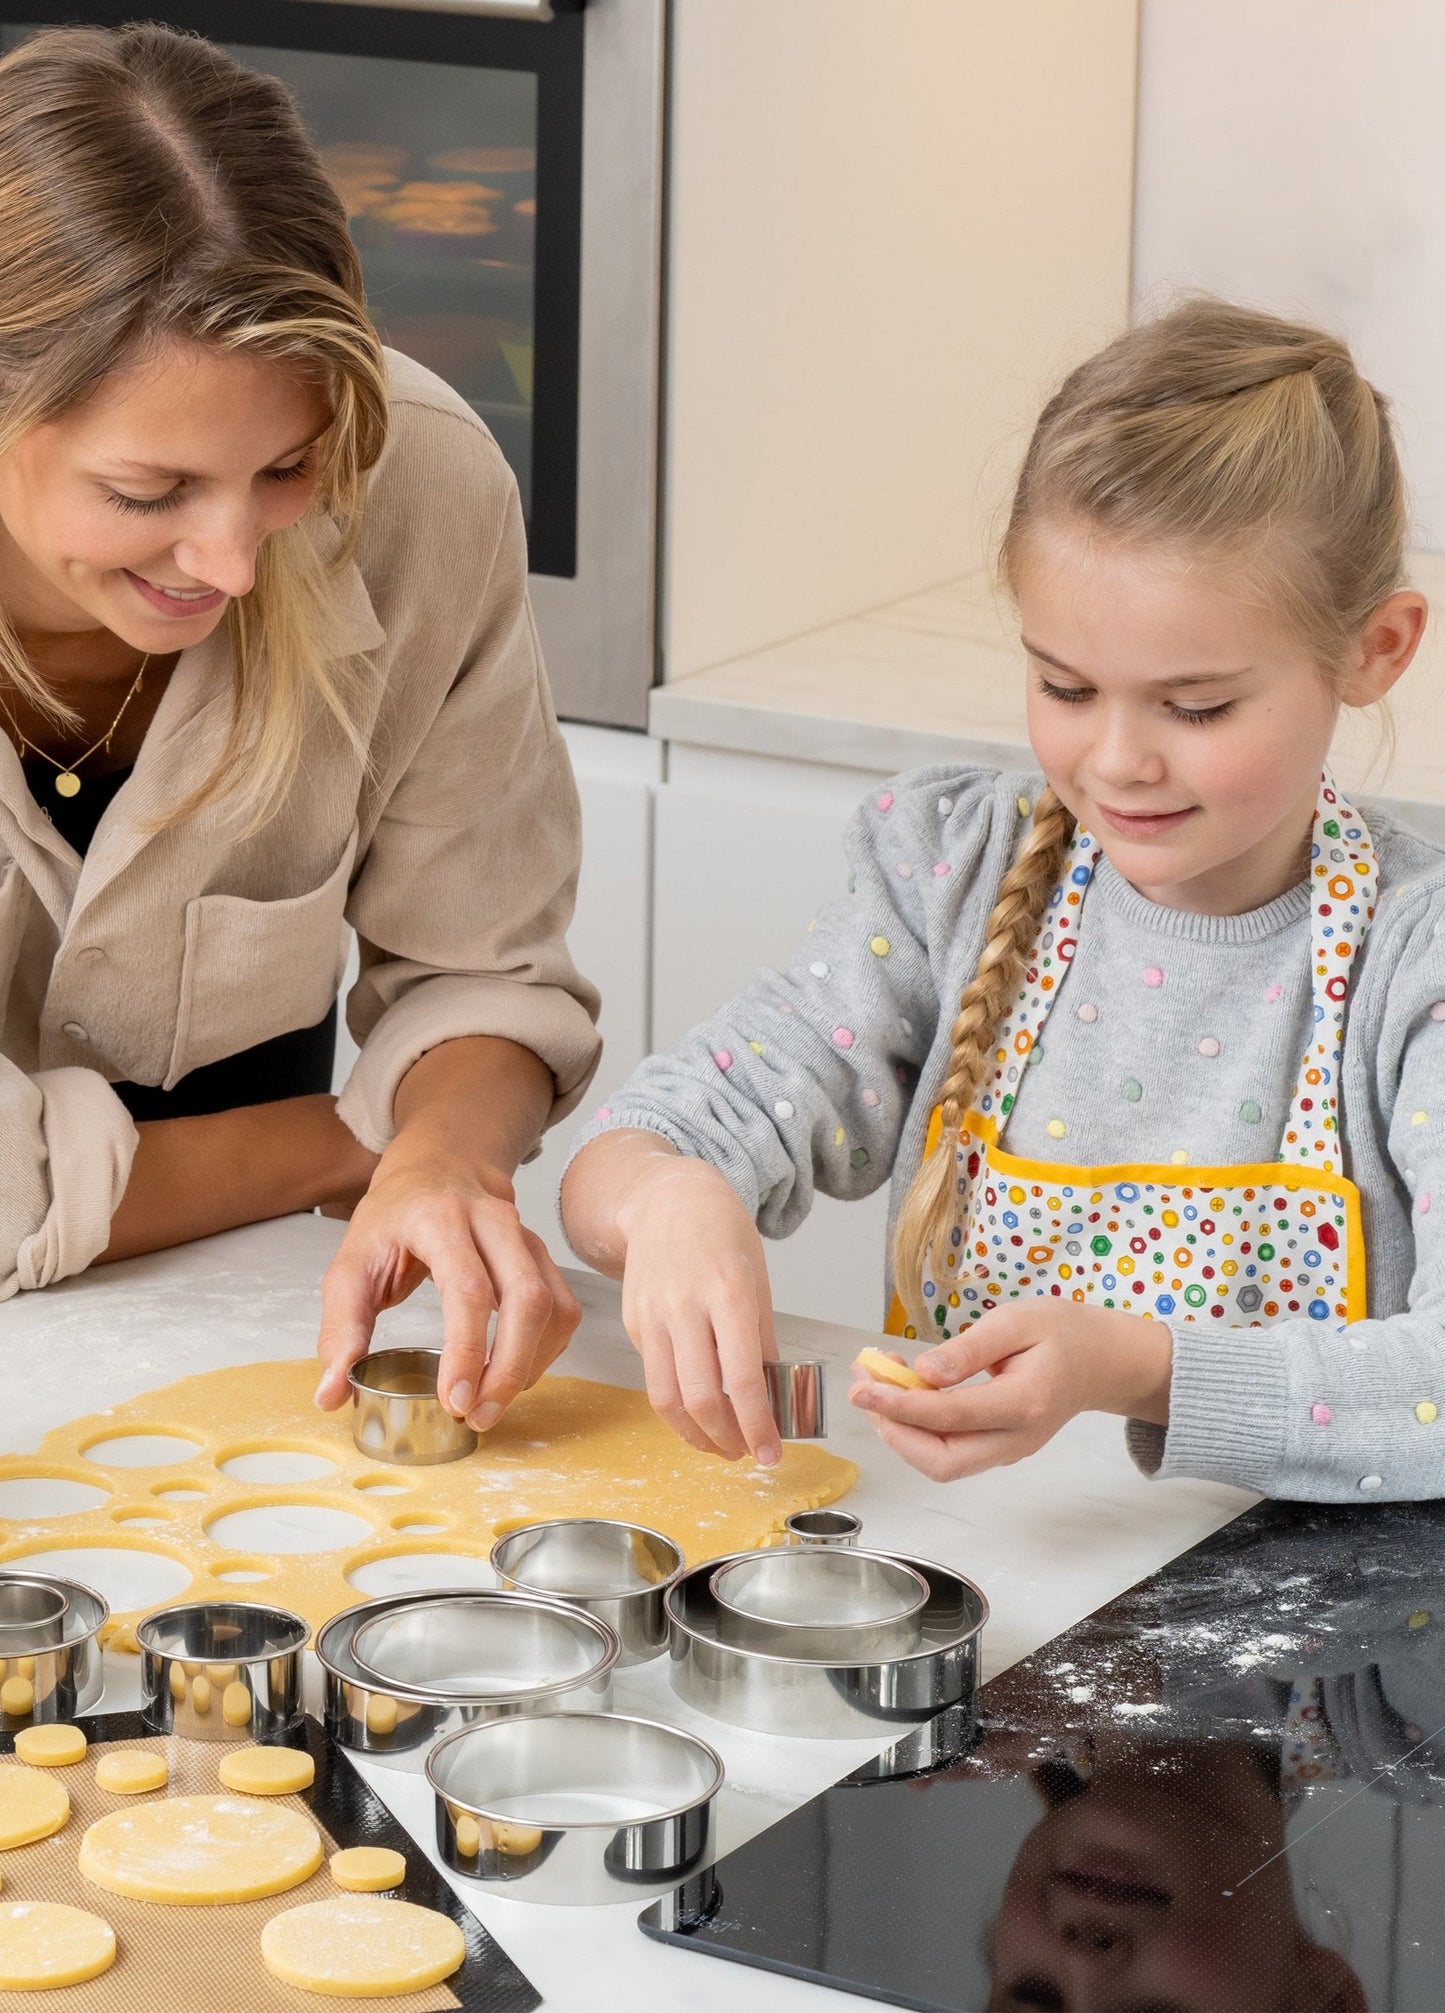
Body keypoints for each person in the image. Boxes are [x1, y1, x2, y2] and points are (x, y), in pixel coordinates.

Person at [561, 298, 1445, 1501]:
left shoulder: (1411, 964)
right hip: (979, 1589)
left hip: (1311, 1662)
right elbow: (632, 1151)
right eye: (1065, 686)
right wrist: (667, 1198)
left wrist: (1136, 1370)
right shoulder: (953, 880)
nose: (1119, 760)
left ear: (1374, 650)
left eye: (1195, 708)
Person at [0, 24, 600, 1435]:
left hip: (255, 1301)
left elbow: (482, 968)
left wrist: (444, 1156)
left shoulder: (419, 489)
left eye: (284, 467)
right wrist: (352, 1141)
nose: (230, 562)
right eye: (149, 492)